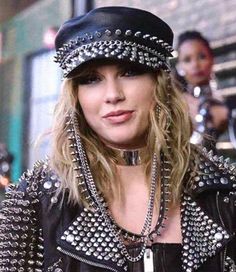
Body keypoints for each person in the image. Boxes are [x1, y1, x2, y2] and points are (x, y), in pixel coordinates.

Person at [0, 6, 235, 272]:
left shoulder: (223, 191)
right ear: (75, 96)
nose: (112, 94)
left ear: (159, 83)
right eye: (91, 79)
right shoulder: (34, 201)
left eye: (129, 72)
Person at [176, 30, 229, 150]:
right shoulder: (174, 103)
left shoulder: (225, 104)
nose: (195, 65)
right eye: (187, 60)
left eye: (202, 56)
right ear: (180, 67)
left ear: (212, 59)